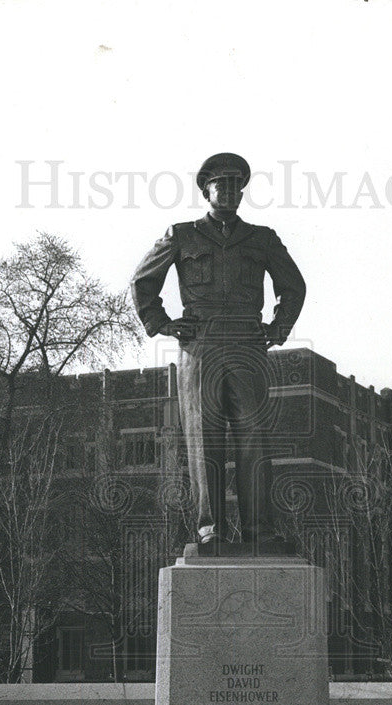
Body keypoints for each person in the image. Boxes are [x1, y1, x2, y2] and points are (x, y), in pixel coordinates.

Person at [130, 152, 306, 549]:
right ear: (206, 190)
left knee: (253, 437)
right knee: (204, 437)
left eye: (234, 185)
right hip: (201, 344)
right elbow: (143, 282)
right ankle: (211, 530)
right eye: (220, 184)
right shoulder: (182, 234)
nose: (228, 191)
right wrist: (162, 324)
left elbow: (293, 285)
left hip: (247, 341)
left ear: (242, 192)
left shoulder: (262, 239)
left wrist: (279, 327)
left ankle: (261, 531)